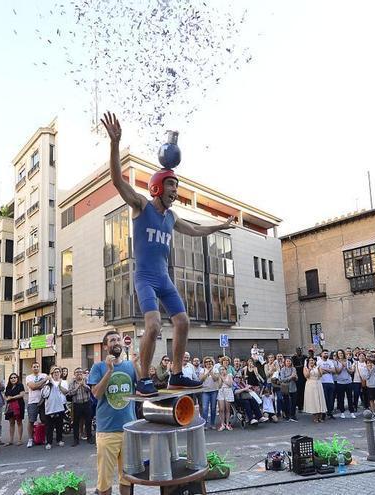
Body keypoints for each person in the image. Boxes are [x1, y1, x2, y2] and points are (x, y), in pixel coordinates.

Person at [102, 112, 234, 396]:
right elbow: (116, 180)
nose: (176, 190)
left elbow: (196, 231)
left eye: (176, 185)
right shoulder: (141, 206)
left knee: (183, 321)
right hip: (145, 278)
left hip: (164, 279)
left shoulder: (172, 218)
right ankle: (143, 379)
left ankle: (175, 375)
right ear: (158, 187)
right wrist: (115, 144)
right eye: (172, 185)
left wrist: (220, 225)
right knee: (152, 325)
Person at [89, 330, 137, 495]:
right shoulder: (98, 367)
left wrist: (138, 365)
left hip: (129, 430)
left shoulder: (130, 366)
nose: (116, 342)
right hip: (106, 432)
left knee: (127, 478)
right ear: (105, 346)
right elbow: (96, 394)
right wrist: (109, 371)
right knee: (104, 481)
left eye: (118, 339)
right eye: (112, 340)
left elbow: (144, 391)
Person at [43, 366, 69, 450]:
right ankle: (49, 442)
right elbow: (44, 394)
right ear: (52, 374)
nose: (56, 373)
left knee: (59, 425)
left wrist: (59, 384)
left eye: (58, 372)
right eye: (55, 372)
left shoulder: (63, 382)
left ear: (60, 373)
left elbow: (66, 392)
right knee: (49, 427)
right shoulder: (48, 382)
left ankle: (59, 439)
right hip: (50, 407)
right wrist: (49, 381)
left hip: (60, 406)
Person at [67, 368, 93, 446]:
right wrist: (78, 387)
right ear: (74, 374)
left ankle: (89, 437)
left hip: (86, 403)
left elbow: (90, 390)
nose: (79, 374)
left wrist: (84, 385)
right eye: (77, 373)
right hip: (77, 404)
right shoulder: (72, 382)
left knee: (88, 421)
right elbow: (70, 393)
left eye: (80, 373)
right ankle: (76, 439)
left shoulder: (87, 380)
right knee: (76, 422)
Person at [25, 363, 48, 448]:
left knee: (44, 420)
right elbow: (33, 387)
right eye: (34, 367)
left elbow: (46, 387)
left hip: (43, 401)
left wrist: (38, 385)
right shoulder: (29, 377)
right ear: (31, 368)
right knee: (31, 421)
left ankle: (44, 437)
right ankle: (30, 439)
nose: (36, 368)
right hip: (32, 401)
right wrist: (42, 382)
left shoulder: (44, 375)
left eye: (37, 366)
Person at [3, 373, 26, 446]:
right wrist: (6, 398)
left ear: (17, 378)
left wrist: (12, 398)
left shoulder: (20, 385)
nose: (13, 379)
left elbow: (22, 394)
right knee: (11, 423)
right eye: (11, 378)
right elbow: (5, 395)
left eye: (14, 377)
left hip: (19, 405)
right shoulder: (8, 387)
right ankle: (11, 440)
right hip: (10, 406)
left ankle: (19, 440)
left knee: (19, 422)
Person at [302, 357, 328, 422]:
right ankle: (315, 417)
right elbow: (306, 376)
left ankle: (320, 416)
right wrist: (309, 369)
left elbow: (321, 375)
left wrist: (319, 369)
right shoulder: (305, 368)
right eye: (310, 360)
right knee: (313, 400)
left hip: (318, 383)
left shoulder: (317, 367)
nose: (311, 361)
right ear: (308, 361)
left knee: (319, 400)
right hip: (310, 384)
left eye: (312, 360)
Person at [199, 357, 220, 429]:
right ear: (204, 363)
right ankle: (204, 424)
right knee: (205, 408)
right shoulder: (202, 370)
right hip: (205, 391)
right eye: (207, 362)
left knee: (213, 408)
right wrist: (207, 371)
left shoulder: (216, 369)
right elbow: (201, 379)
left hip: (214, 391)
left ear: (212, 362)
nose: (208, 363)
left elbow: (215, 379)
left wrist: (211, 371)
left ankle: (212, 423)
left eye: (210, 362)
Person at [216, 366, 235, 430]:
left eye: (223, 369)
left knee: (227, 409)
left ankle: (227, 424)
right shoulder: (219, 376)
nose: (222, 371)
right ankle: (222, 424)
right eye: (221, 370)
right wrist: (221, 379)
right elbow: (219, 386)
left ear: (226, 370)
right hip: (221, 391)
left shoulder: (229, 375)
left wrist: (223, 379)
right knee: (221, 409)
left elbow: (230, 384)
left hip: (228, 391)